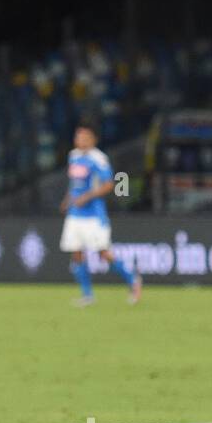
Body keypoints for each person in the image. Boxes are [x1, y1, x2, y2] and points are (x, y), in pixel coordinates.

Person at [60, 124, 142, 307]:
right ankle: (87, 295)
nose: (80, 139)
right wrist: (67, 199)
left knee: (104, 253)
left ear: (93, 139)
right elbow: (74, 183)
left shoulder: (99, 159)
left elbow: (109, 185)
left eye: (84, 137)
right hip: (75, 214)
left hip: (93, 215)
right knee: (77, 253)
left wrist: (86, 197)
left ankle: (133, 280)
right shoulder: (73, 156)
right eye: (77, 136)